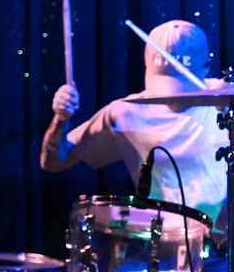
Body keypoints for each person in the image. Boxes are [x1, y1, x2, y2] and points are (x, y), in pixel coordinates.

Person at [41, 19, 227, 244]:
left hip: (222, 251)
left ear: (207, 66)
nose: (171, 98)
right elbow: (53, 162)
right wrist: (61, 120)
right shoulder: (127, 112)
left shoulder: (227, 102)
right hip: (160, 250)